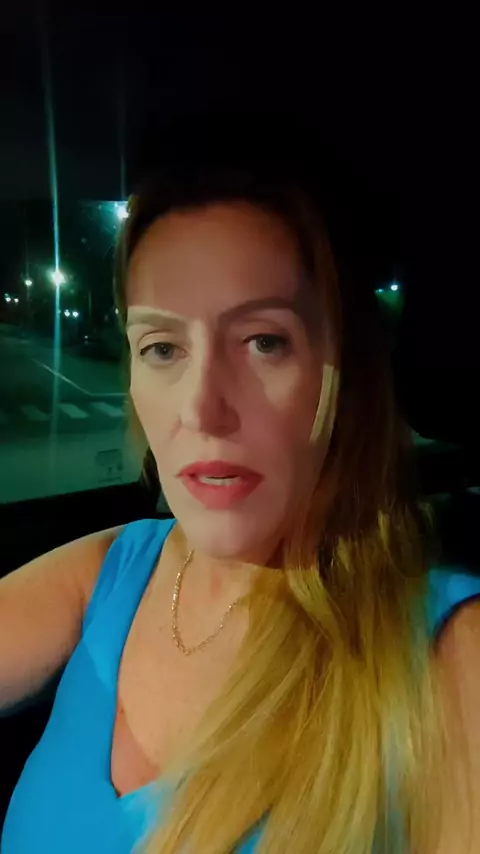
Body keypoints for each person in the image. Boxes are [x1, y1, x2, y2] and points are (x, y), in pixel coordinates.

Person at [1, 158, 480, 854]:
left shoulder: (450, 655)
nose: (201, 409)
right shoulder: (109, 570)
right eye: (162, 348)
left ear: (344, 377)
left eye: (264, 343)